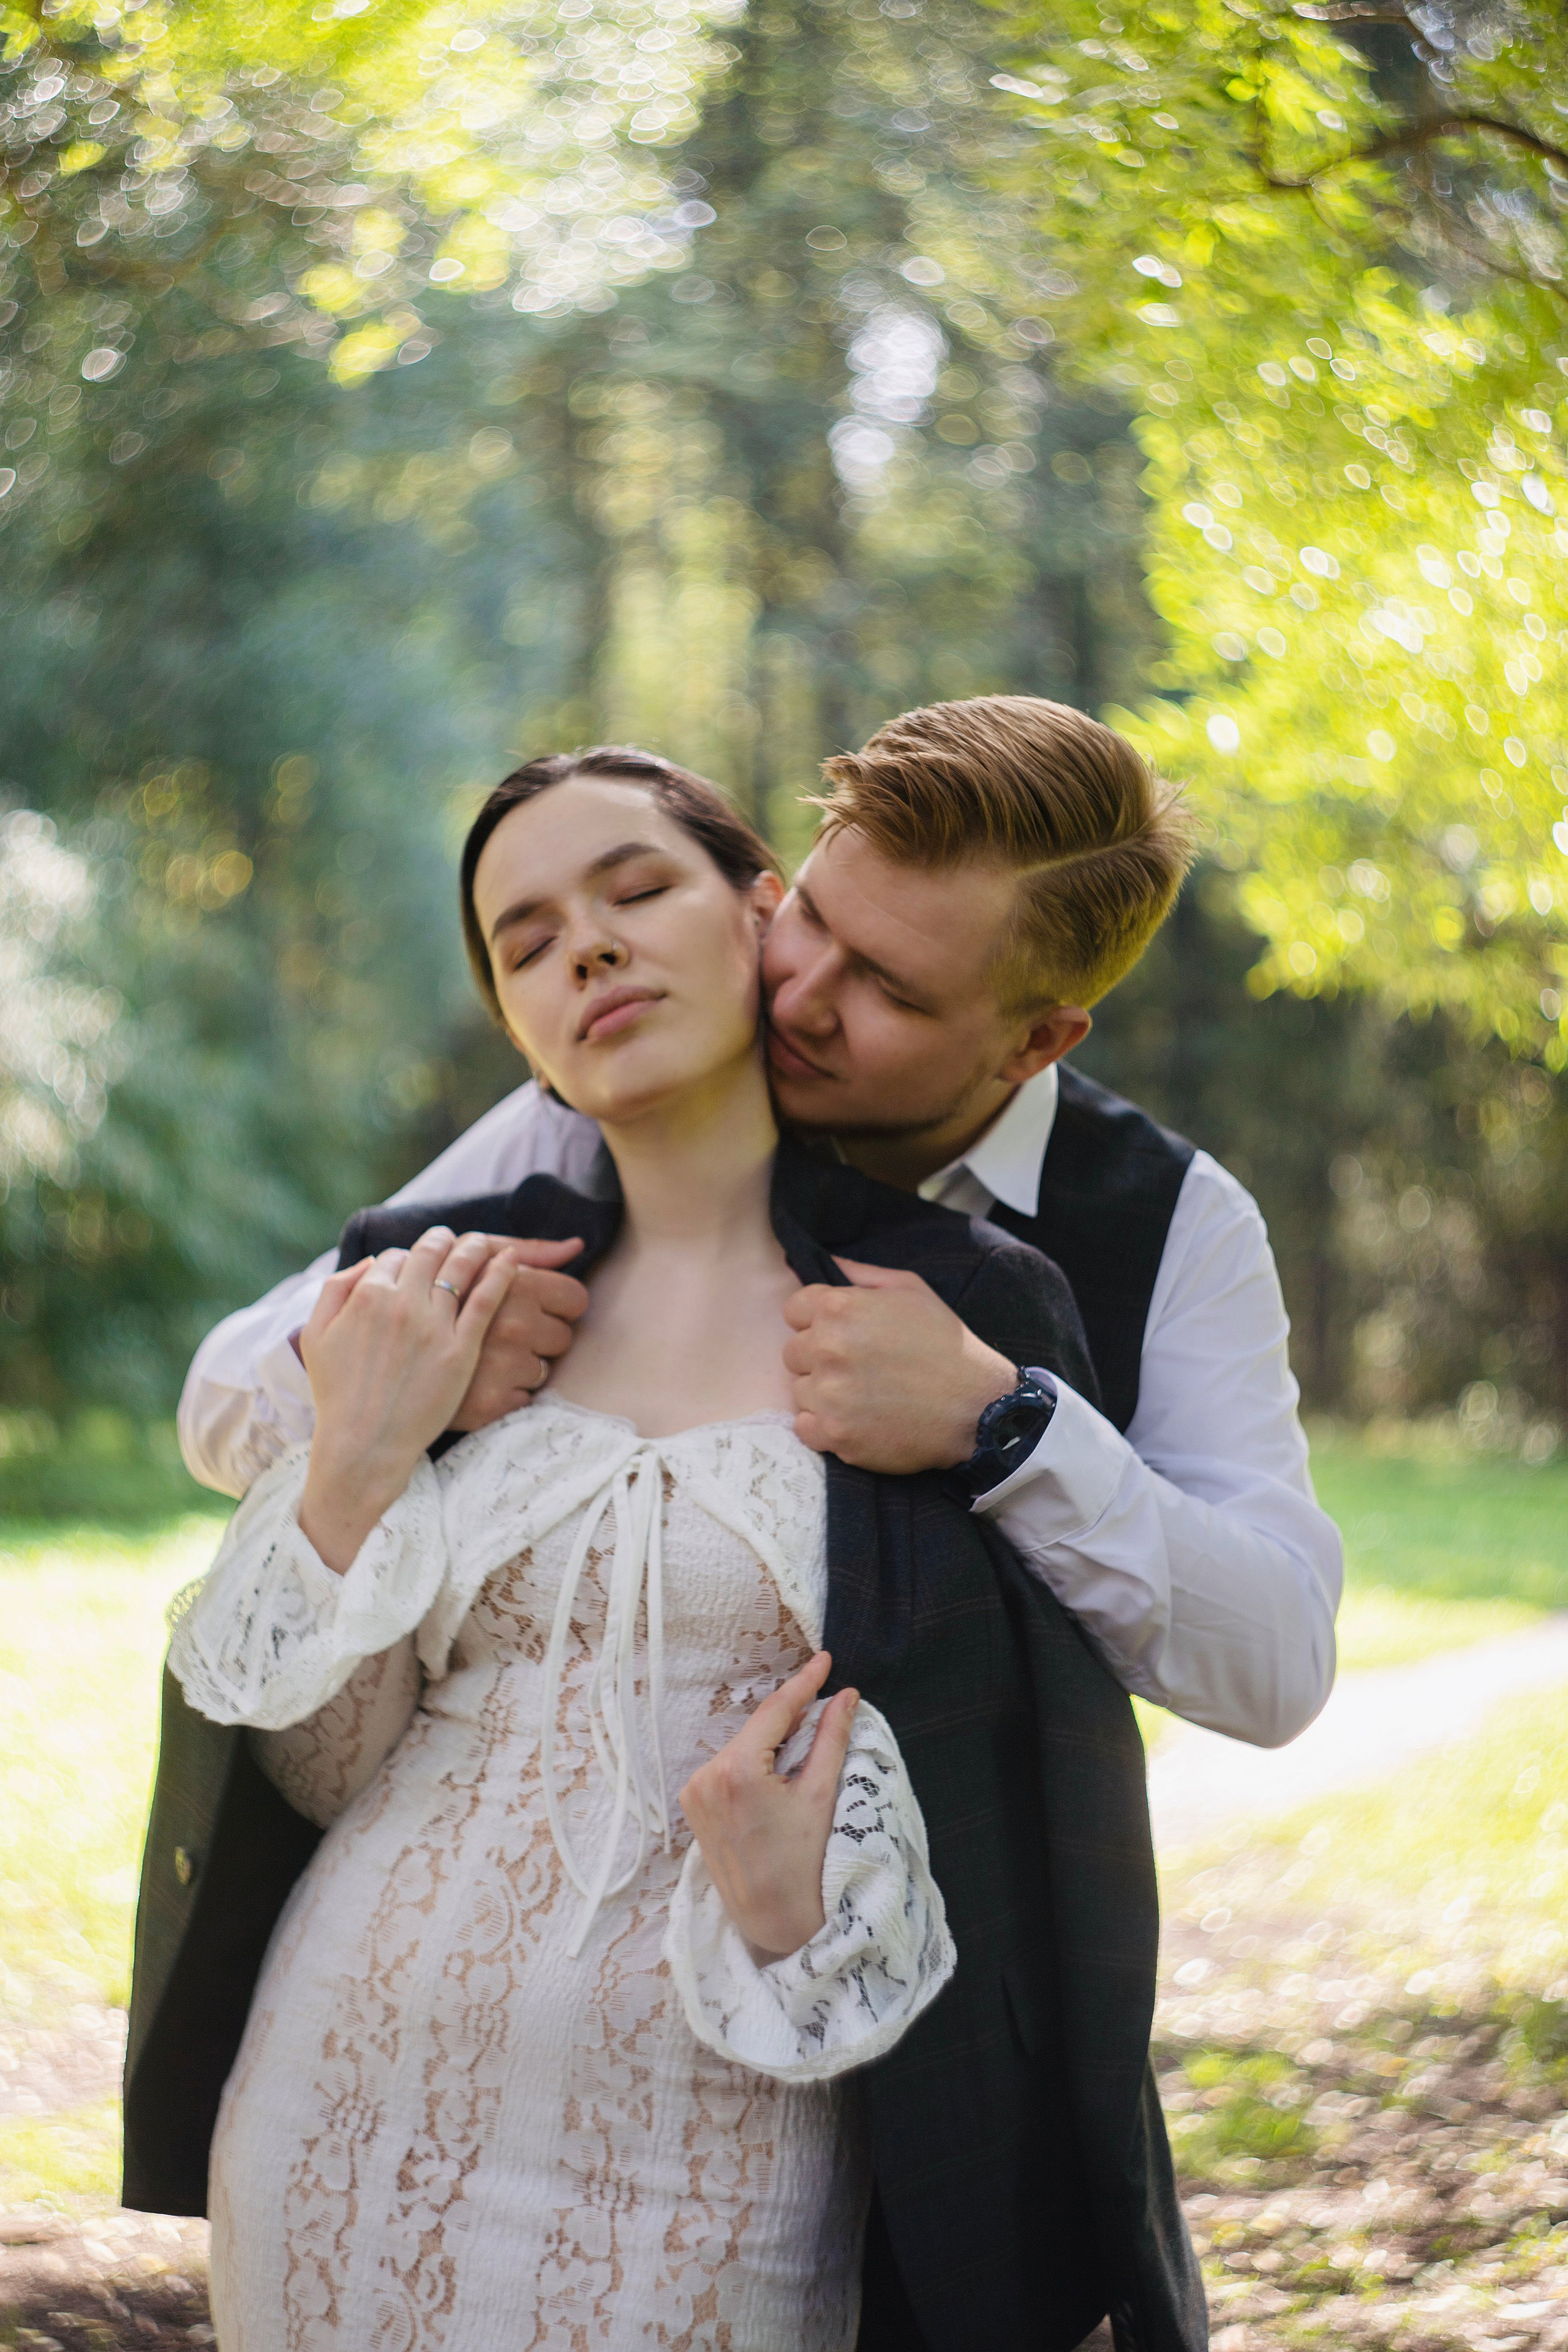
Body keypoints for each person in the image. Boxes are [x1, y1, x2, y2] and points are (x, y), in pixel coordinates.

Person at [127, 752, 1204, 2350]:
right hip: (336, 2113)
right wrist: (354, 1453)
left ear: (763, 918)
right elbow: (326, 1765)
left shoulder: (954, 1316)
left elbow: (1033, 1828)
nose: (588, 948)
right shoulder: (429, 1291)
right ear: (514, 1016)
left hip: (716, 2155)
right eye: (526, 936)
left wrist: (808, 1922)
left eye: (636, 892)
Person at [179, 696, 1342, 1751]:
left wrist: (1010, 1431)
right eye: (812, 919)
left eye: (888, 989)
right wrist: (406, 1357)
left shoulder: (1175, 1220)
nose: (799, 996)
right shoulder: (617, 1096)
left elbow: (1279, 1666)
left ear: (1036, 1042)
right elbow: (224, 1401)